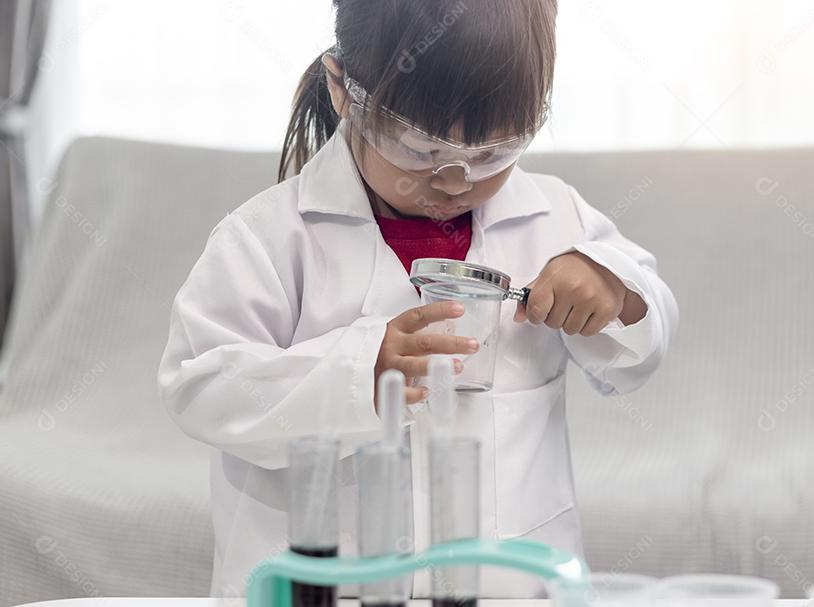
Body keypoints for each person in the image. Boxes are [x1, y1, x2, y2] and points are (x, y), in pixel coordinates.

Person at [158, 0, 678, 598]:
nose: (455, 180)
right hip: (329, 586)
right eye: (420, 150)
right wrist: (360, 371)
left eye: (491, 154)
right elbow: (198, 384)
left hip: (510, 585)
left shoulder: (557, 219)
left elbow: (643, 348)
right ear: (343, 90)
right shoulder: (270, 237)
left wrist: (616, 292)